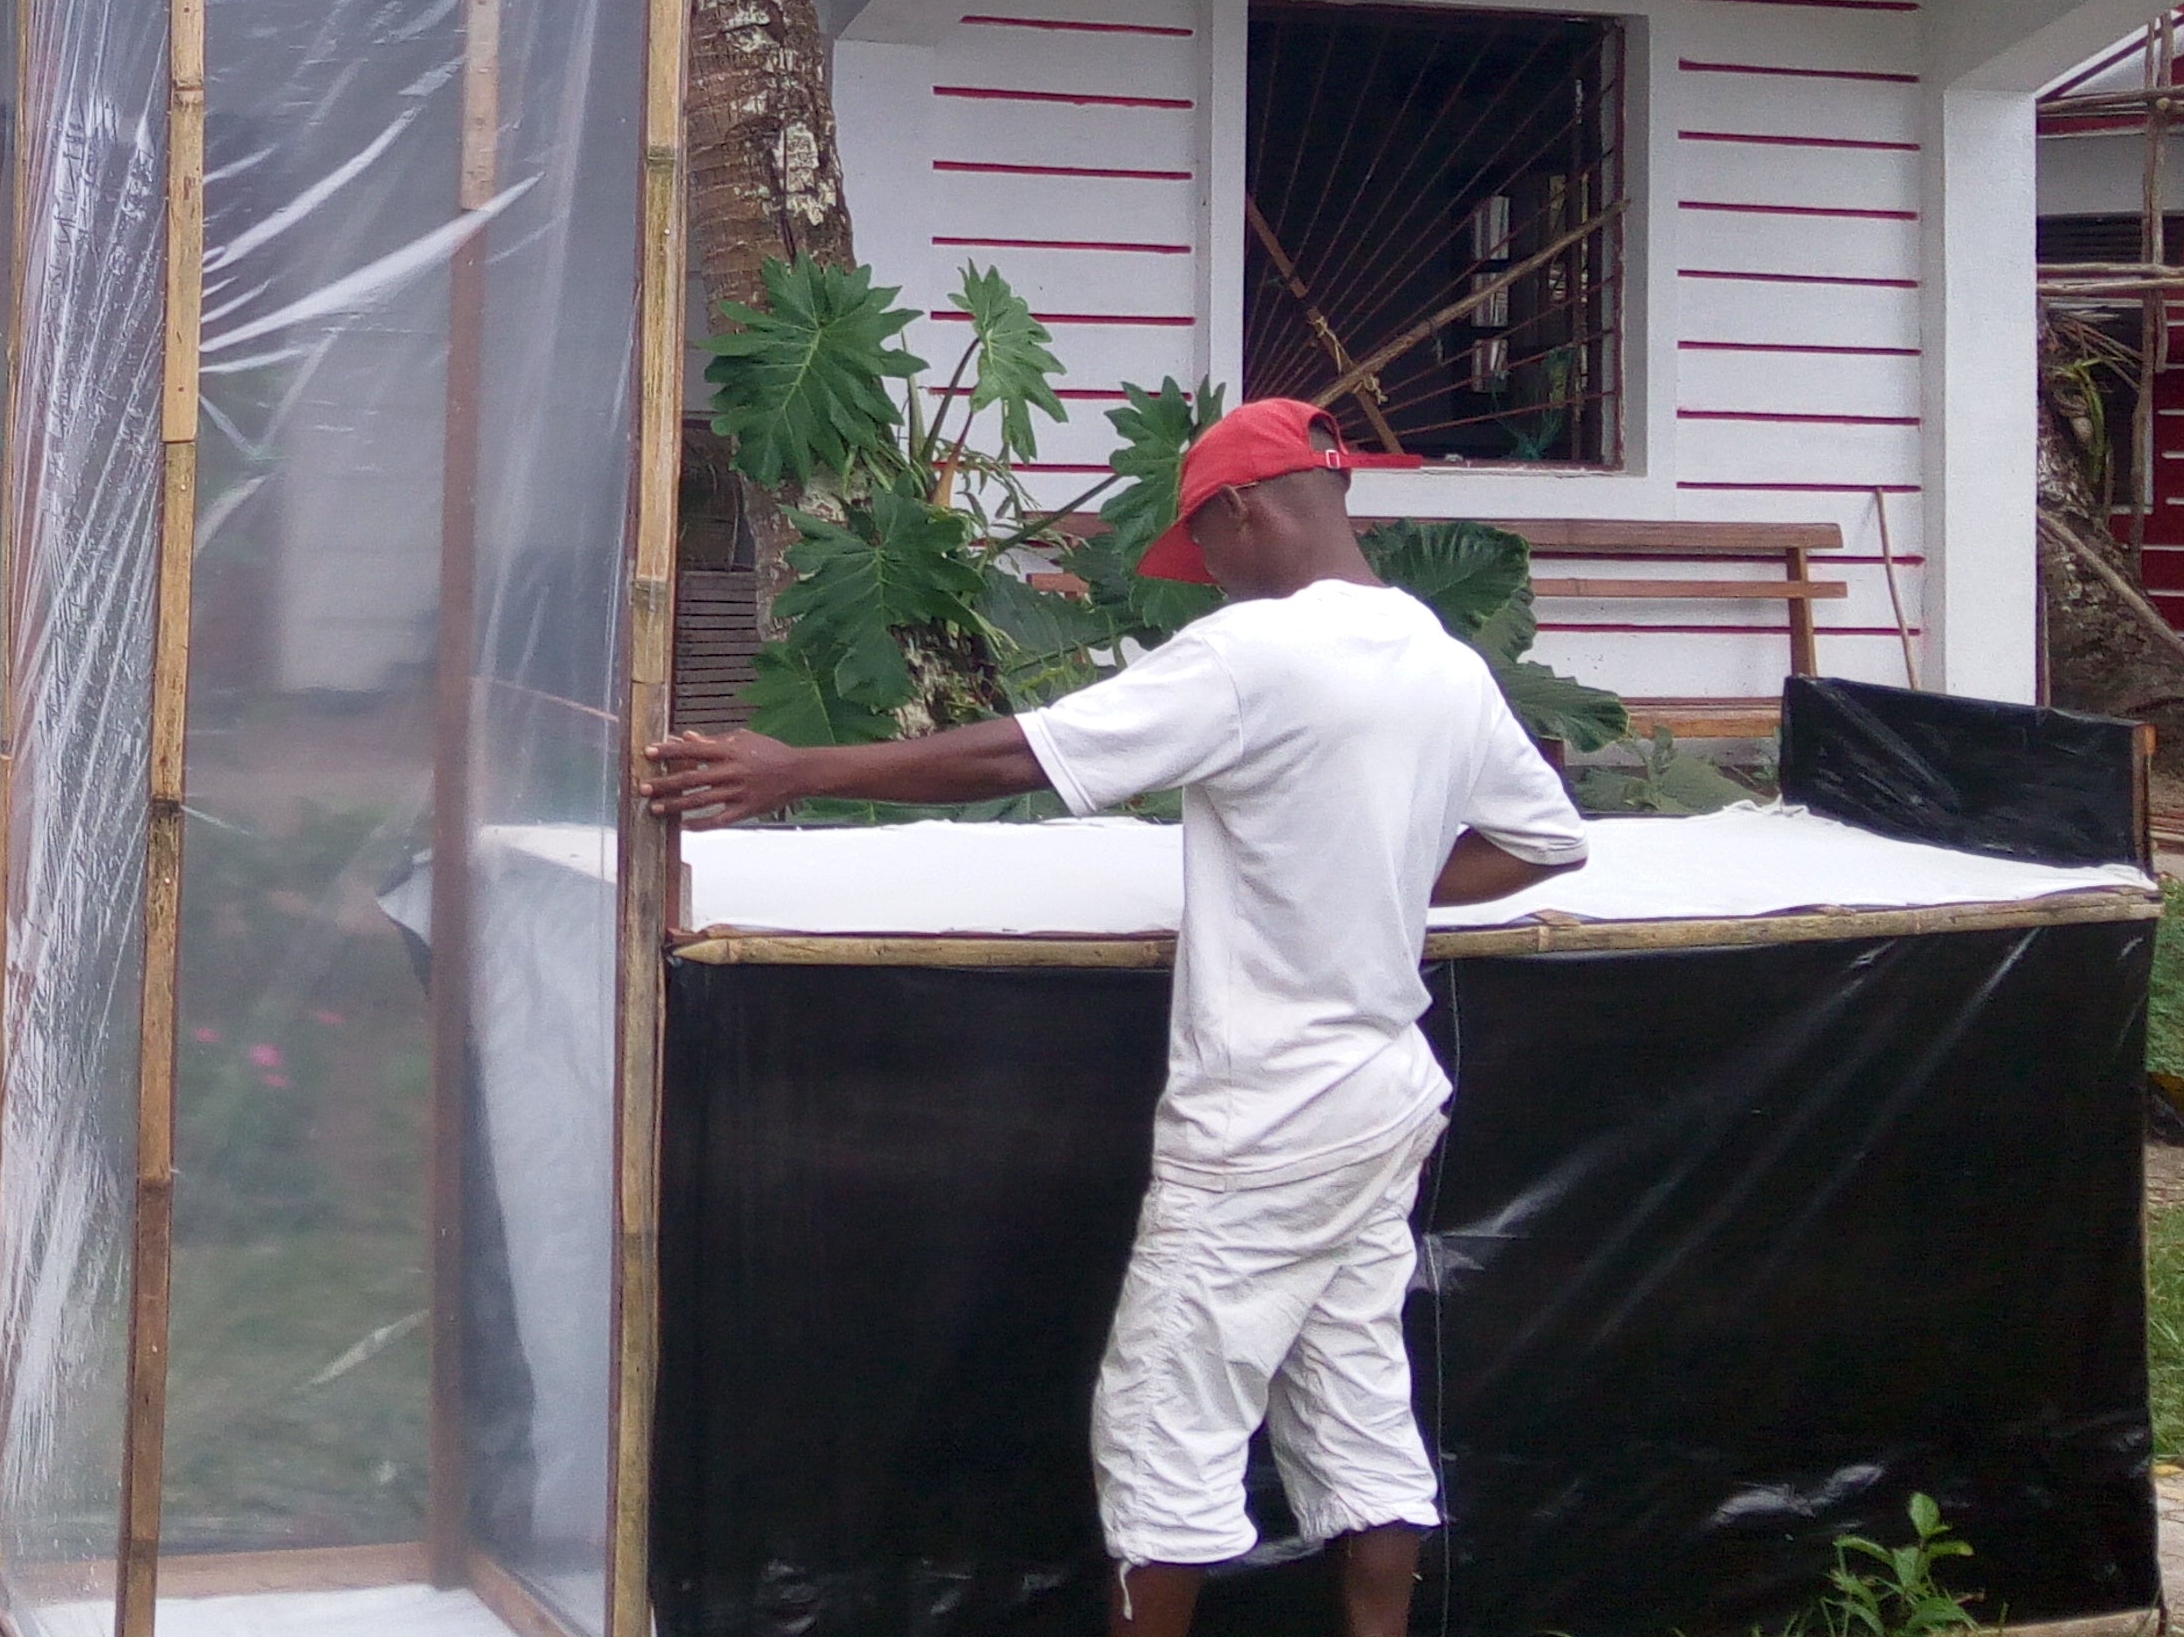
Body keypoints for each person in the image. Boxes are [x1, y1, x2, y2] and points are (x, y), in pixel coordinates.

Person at [642, 396, 1592, 1637]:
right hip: (1380, 1090)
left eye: (1202, 550)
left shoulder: (1258, 656)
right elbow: (1544, 841)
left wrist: (796, 772)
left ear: (1244, 508)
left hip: (1266, 1113)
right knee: (1355, 1389)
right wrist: (1361, 881)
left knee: (1165, 1424)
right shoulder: (1439, 662)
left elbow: (1020, 758)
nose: (1206, 580)